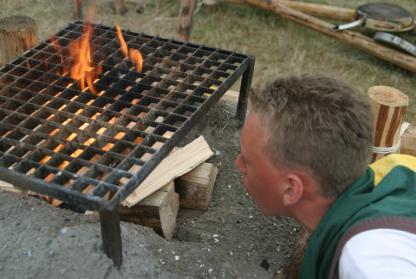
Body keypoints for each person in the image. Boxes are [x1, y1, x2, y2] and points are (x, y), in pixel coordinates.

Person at [235, 75, 416, 279]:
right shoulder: (390, 180)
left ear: (290, 189)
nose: (238, 164)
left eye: (248, 161)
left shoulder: (367, 263)